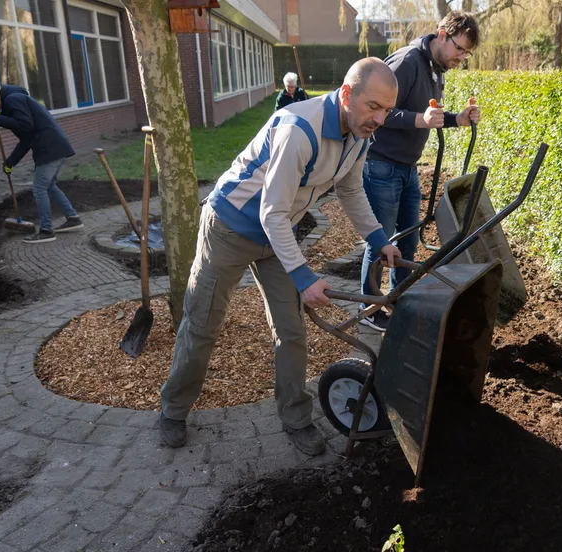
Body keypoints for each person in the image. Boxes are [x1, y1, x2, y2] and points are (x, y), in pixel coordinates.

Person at [159, 58, 401, 455]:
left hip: (278, 235)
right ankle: (172, 409)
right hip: (230, 228)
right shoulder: (299, 128)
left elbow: (351, 191)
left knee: (291, 332)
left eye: (386, 110)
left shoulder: (360, 134)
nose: (379, 118)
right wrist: (305, 278)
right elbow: (270, 211)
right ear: (345, 95)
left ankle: (296, 417)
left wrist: (378, 239)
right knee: (202, 324)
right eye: (373, 106)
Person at [358, 10, 481, 332]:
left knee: (409, 241)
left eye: (466, 53)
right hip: (381, 163)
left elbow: (429, 115)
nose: (461, 57)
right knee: (380, 239)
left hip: (407, 168)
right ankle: (369, 308)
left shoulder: (434, 68)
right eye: (460, 49)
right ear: (443, 34)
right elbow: (377, 108)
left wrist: (458, 119)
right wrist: (420, 120)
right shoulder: (409, 60)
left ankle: (397, 299)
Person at [0, 82, 82, 244]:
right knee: (49, 185)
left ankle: (46, 230)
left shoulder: (13, 100)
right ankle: (73, 218)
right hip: (55, 146)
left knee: (39, 188)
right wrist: (11, 162)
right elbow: (26, 140)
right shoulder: (14, 102)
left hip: (49, 148)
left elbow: (26, 125)